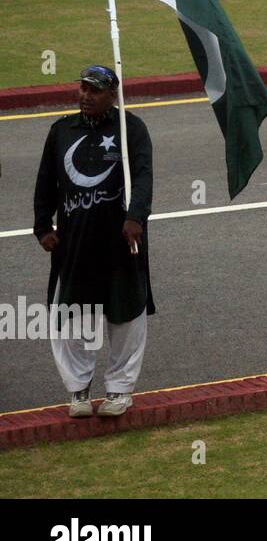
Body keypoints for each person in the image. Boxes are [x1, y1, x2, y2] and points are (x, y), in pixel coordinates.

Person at [34, 65, 155, 418]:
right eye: (83, 88)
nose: (86, 95)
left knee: (127, 315)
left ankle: (120, 390)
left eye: (96, 90)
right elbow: (46, 182)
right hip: (74, 243)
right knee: (73, 317)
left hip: (122, 242)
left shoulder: (131, 129)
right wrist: (42, 226)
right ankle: (79, 391)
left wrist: (136, 217)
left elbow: (144, 176)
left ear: (112, 95)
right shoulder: (61, 131)